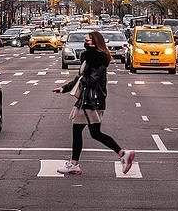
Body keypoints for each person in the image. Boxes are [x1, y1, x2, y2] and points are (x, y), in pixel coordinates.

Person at [53, 30, 135, 176]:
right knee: (95, 133)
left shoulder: (98, 59)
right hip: (90, 100)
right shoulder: (89, 57)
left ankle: (74, 164)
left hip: (91, 100)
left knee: (78, 130)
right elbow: (80, 78)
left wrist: (80, 81)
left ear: (97, 42)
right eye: (86, 39)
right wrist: (65, 88)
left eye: (89, 39)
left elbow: (91, 79)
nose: (86, 41)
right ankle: (122, 153)